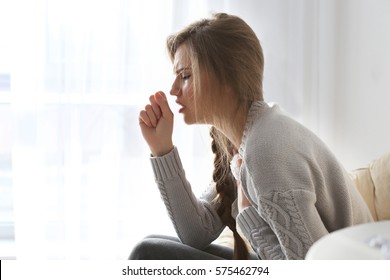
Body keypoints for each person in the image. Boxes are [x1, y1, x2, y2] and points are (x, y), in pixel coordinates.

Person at [130, 13, 373, 260]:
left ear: (227, 77)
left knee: (147, 253)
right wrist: (163, 151)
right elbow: (196, 233)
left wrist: (249, 220)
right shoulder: (243, 139)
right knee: (151, 245)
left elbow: (312, 270)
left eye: (185, 76)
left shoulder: (266, 152)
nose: (172, 90)